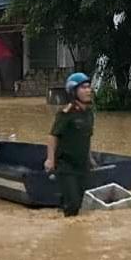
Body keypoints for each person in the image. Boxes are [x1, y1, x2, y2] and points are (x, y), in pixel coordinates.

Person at [44, 72, 96, 217]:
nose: (88, 90)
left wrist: (90, 158)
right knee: (72, 204)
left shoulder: (89, 113)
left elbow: (86, 137)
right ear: (73, 91)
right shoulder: (66, 113)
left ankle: (63, 220)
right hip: (66, 166)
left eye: (88, 87)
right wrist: (50, 159)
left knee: (78, 203)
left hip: (82, 165)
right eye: (83, 88)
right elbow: (53, 136)